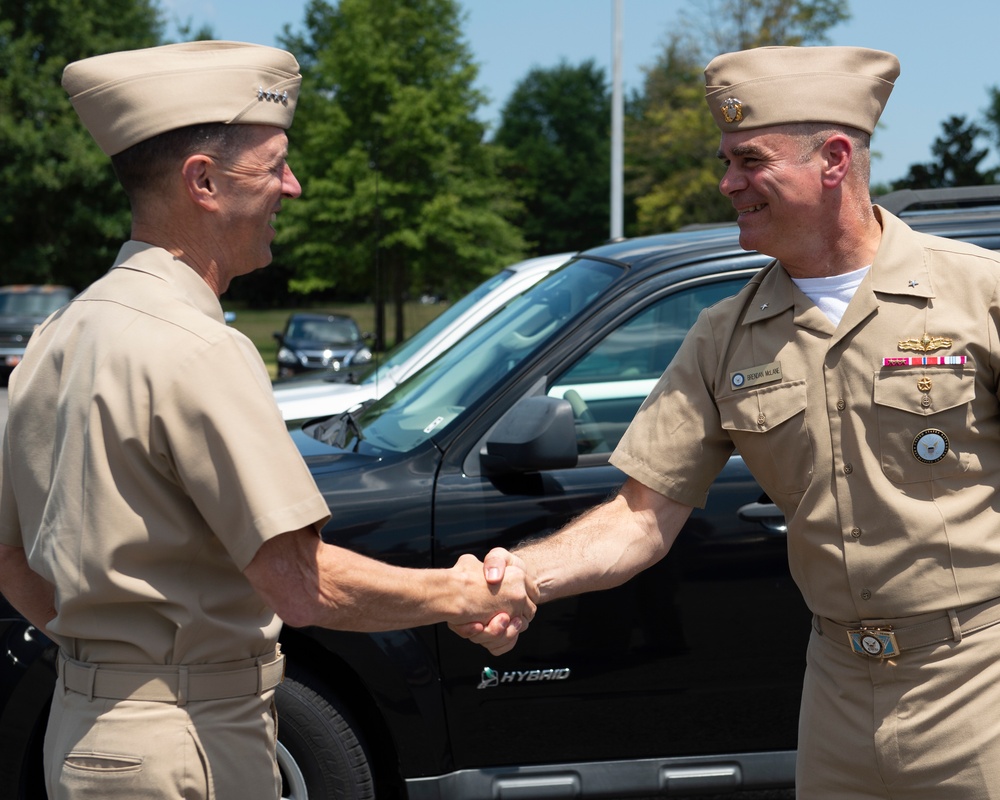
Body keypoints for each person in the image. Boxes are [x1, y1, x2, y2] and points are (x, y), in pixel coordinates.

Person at [457, 45, 1000, 799]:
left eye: (749, 160)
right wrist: (520, 578)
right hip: (839, 691)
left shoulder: (980, 295)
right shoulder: (725, 334)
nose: (727, 183)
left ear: (834, 159)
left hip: (981, 680)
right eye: (726, 160)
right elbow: (640, 519)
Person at [0, 41, 534, 800]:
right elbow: (298, 583)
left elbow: (13, 562)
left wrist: (116, 657)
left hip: (89, 734)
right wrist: (464, 596)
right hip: (186, 742)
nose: (295, 186)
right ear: (204, 181)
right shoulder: (198, 348)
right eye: (275, 163)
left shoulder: (59, 337)